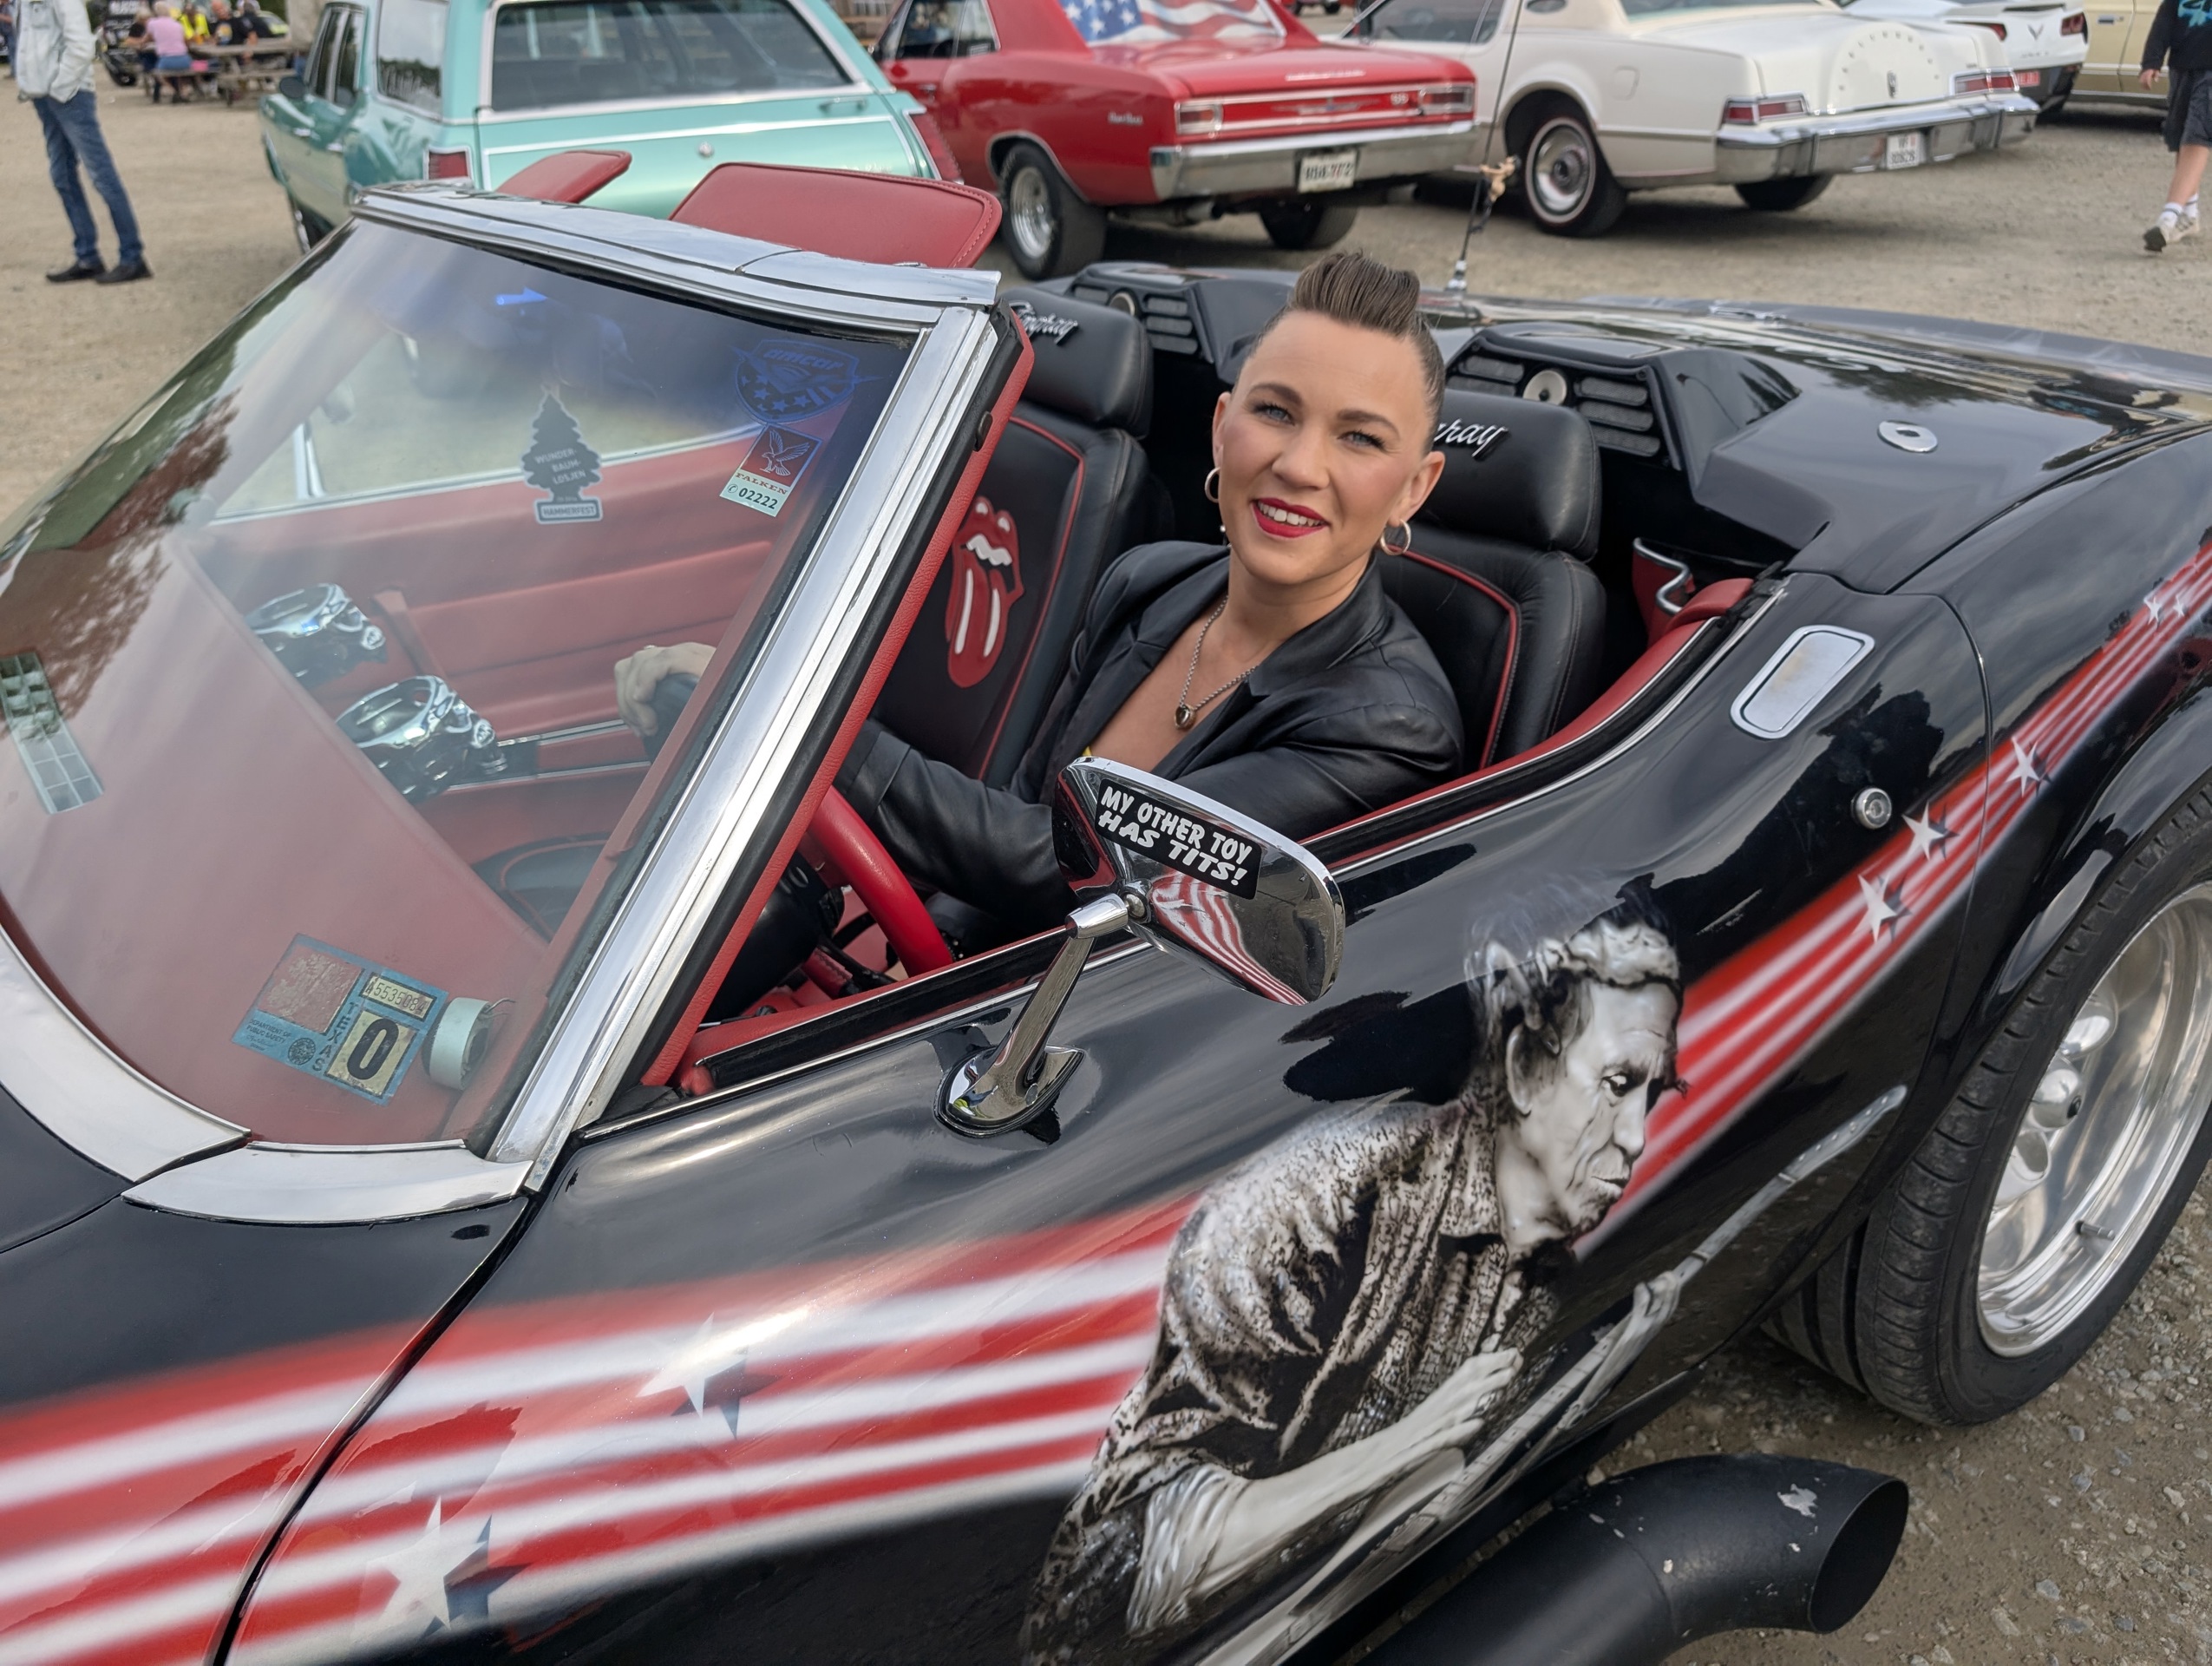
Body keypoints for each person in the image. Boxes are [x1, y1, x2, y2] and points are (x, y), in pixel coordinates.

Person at [615, 250, 1466, 946]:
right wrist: (920, 960)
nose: (1300, 465)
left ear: (1413, 488)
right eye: (1275, 411)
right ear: (1220, 427)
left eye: (1360, 438)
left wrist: (787, 723)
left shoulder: (1389, 728)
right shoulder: (1149, 581)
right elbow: (1026, 801)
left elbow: (1061, 866)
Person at [1020, 890, 1683, 1664]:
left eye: (1654, 1093)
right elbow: (1129, 1567)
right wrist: (1407, 1443)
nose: (1636, 1137)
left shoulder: (1543, 1262)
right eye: (1617, 1084)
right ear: (1527, 1069)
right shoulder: (1321, 1205)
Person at [15, 0, 149, 284]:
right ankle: (88, 255)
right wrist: (32, 86)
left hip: (68, 94)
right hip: (43, 94)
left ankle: (132, 256)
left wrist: (60, 87)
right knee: (62, 175)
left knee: (101, 174)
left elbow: (80, 44)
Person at [2142, 0, 2212, 251]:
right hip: (2182, 68)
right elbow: (2165, 19)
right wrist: (2151, 62)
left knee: (2197, 137)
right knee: (2180, 139)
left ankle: (2168, 218)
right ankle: (2189, 215)